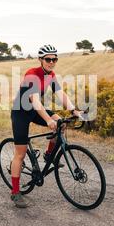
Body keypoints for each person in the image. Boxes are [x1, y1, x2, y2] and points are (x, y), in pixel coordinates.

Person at [10, 44, 82, 208]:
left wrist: (73, 109)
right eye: (48, 59)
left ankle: (49, 155)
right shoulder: (32, 74)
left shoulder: (51, 75)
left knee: (61, 124)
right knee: (20, 154)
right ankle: (15, 192)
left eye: (54, 59)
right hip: (21, 112)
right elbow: (35, 101)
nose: (51, 62)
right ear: (40, 60)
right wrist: (48, 120)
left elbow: (60, 93)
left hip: (35, 110)